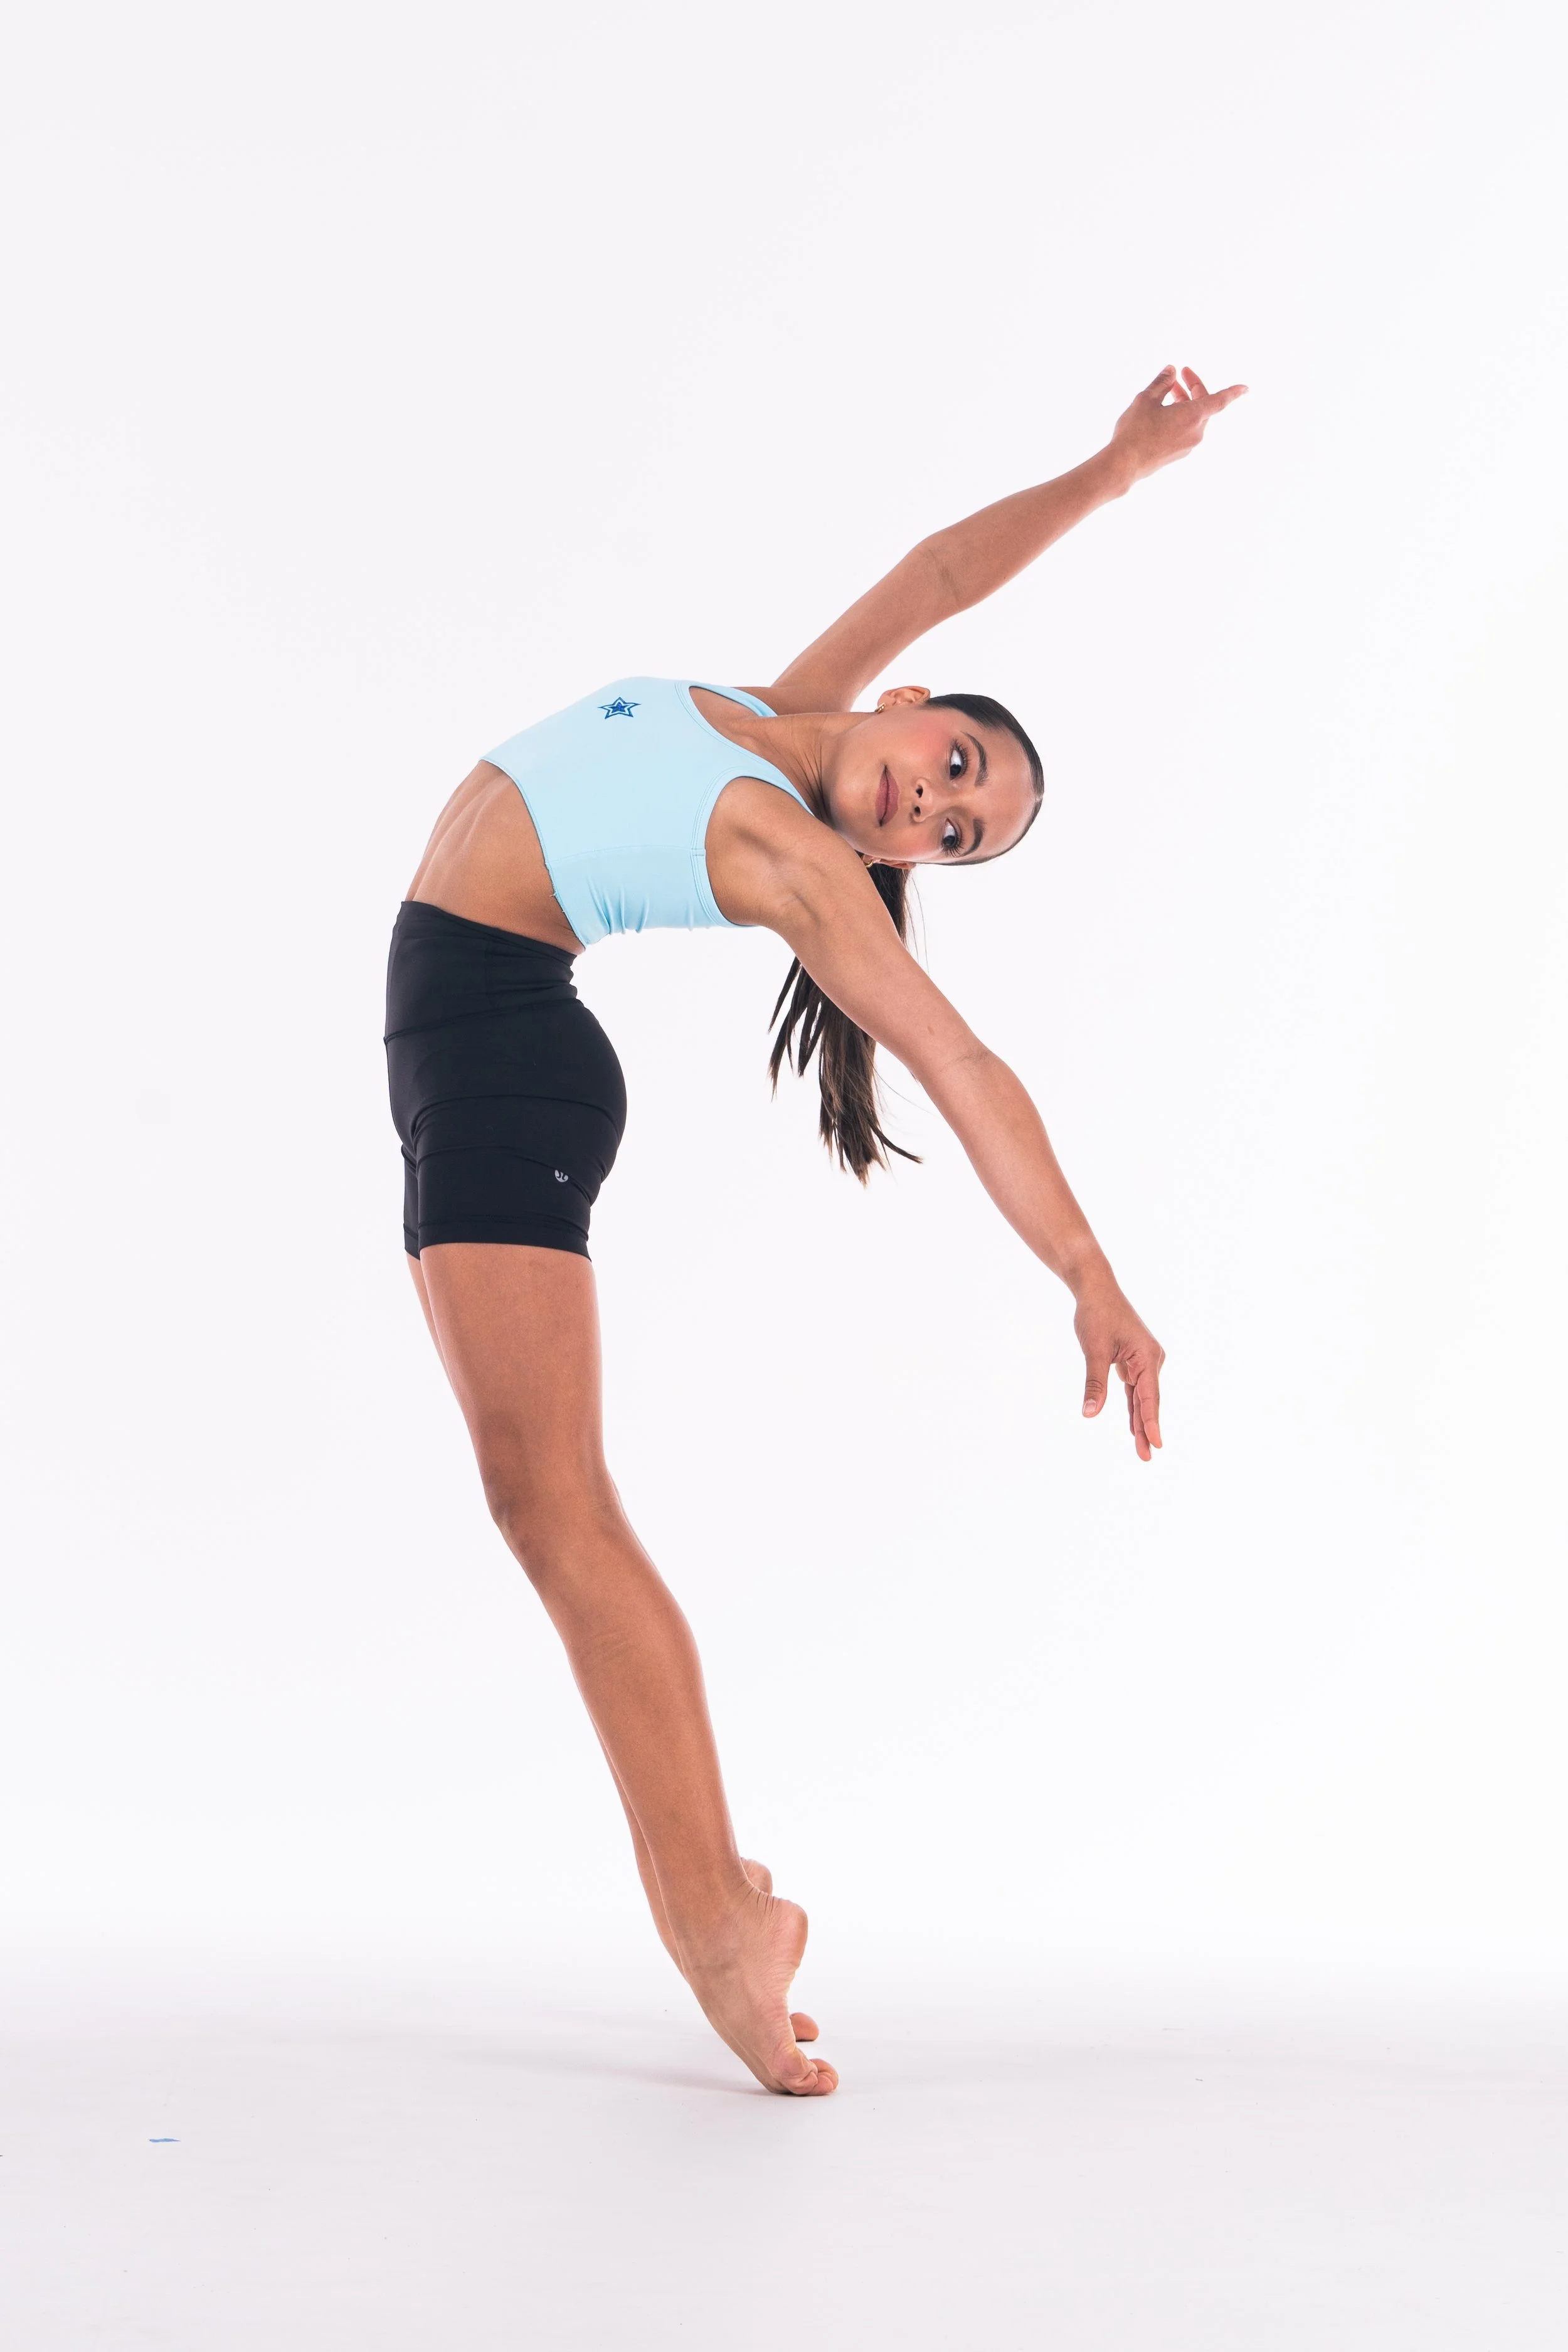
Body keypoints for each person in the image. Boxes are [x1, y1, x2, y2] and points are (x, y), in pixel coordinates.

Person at [386, 362, 1246, 2097]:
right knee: (539, 1498)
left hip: (501, 1054)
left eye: (954, 832)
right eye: (953, 769)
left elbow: (959, 1056)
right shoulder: (769, 713)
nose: (927, 809)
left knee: (550, 1502)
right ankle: (718, 1903)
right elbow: (936, 567)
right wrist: (1112, 469)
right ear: (911, 706)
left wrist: (1087, 1268)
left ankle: (716, 1919)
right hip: (467, 1028)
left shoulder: (786, 855)